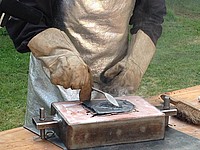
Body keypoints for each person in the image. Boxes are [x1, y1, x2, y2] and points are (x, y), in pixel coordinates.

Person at [5, 0, 166, 133]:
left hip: (113, 87)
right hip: (54, 90)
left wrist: (136, 62)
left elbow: (151, 15)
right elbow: (22, 13)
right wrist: (59, 53)